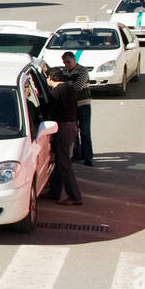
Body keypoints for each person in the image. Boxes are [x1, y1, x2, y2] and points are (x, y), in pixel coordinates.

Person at [45, 68, 82, 205]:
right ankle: (55, 192)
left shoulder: (56, 92)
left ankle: (74, 196)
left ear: (50, 78)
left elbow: (49, 110)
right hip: (71, 126)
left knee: (64, 163)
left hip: (63, 128)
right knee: (60, 162)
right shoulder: (70, 88)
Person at [60, 51, 93, 166]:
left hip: (83, 105)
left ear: (74, 60)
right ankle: (77, 154)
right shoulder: (64, 72)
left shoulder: (83, 71)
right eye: (64, 63)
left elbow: (77, 87)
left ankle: (88, 157)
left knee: (85, 132)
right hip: (71, 107)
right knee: (74, 132)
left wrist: (64, 88)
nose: (66, 65)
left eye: (68, 62)